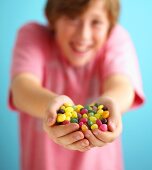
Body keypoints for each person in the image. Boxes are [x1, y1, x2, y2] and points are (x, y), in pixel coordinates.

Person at [9, 0, 145, 170]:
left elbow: (123, 85)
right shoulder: (33, 35)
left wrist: (111, 103)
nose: (83, 36)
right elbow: (22, 89)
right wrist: (52, 108)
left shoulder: (116, 38)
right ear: (53, 19)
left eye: (96, 22)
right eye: (72, 18)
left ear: (109, 26)